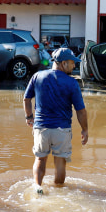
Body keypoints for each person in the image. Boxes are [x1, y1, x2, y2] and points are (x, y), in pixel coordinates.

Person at [23, 47, 89, 195]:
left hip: (41, 128)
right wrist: (85, 129)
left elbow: (26, 99)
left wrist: (29, 117)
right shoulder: (72, 83)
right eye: (72, 63)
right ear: (63, 63)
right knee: (60, 162)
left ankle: (37, 186)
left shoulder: (38, 76)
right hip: (62, 130)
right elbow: (81, 111)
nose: (74, 66)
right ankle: (59, 193)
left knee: (40, 159)